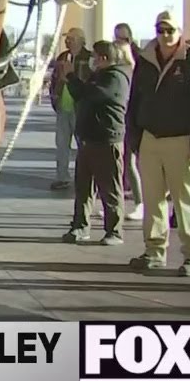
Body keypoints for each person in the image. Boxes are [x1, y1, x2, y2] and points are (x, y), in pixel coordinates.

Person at [126, 11, 190, 276]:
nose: (165, 35)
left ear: (179, 32)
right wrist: (135, 139)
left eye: (170, 30)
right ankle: (154, 251)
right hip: (150, 139)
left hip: (181, 140)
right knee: (153, 200)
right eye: (160, 29)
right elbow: (135, 101)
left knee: (185, 200)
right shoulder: (145, 60)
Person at [61, 40, 131, 245]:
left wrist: (72, 77)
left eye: (94, 56)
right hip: (88, 139)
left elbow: (90, 95)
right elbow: (80, 95)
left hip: (107, 139)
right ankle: (80, 226)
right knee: (83, 188)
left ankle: (114, 231)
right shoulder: (97, 76)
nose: (91, 60)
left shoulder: (115, 78)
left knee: (110, 188)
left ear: (103, 58)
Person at [49, 27, 91, 190]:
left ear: (81, 40)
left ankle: (85, 177)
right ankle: (62, 177)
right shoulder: (62, 57)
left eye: (71, 38)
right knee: (61, 144)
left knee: (83, 146)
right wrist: (54, 96)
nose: (68, 41)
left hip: (80, 108)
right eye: (67, 38)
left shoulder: (88, 58)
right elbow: (54, 78)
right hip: (62, 107)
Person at [113, 24, 143, 222]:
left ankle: (140, 203)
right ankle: (116, 204)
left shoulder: (136, 67)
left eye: (122, 39)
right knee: (120, 164)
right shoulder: (119, 68)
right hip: (120, 120)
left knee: (130, 163)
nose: (118, 42)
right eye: (116, 38)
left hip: (131, 121)